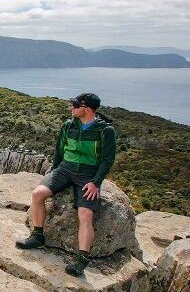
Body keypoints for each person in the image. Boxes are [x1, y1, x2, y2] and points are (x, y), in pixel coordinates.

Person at [15, 93, 116, 277]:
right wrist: (54, 170)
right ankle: (38, 237)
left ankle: (82, 258)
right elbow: (59, 149)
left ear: (87, 109)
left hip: (88, 173)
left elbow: (107, 160)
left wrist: (96, 182)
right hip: (65, 169)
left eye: (76, 105)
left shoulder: (105, 131)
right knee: (37, 194)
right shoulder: (68, 125)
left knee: (85, 213)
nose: (72, 108)